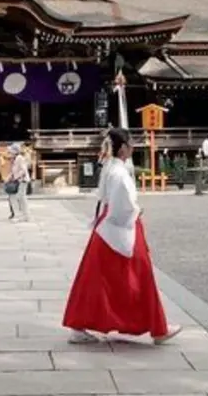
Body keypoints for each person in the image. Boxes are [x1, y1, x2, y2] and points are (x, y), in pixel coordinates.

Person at [62, 128, 181, 345]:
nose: (134, 146)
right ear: (123, 147)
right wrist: (136, 212)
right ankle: (158, 329)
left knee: (96, 279)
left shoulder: (111, 167)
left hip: (106, 227)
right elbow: (122, 206)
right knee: (140, 275)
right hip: (119, 226)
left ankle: (79, 324)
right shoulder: (118, 172)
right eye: (131, 142)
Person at [6, 143, 30, 222]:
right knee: (16, 198)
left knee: (20, 198)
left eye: (10, 151)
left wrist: (15, 178)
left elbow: (23, 170)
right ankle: (21, 215)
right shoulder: (15, 159)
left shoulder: (19, 158)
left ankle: (23, 215)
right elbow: (13, 171)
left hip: (22, 181)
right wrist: (8, 178)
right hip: (18, 180)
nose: (9, 153)